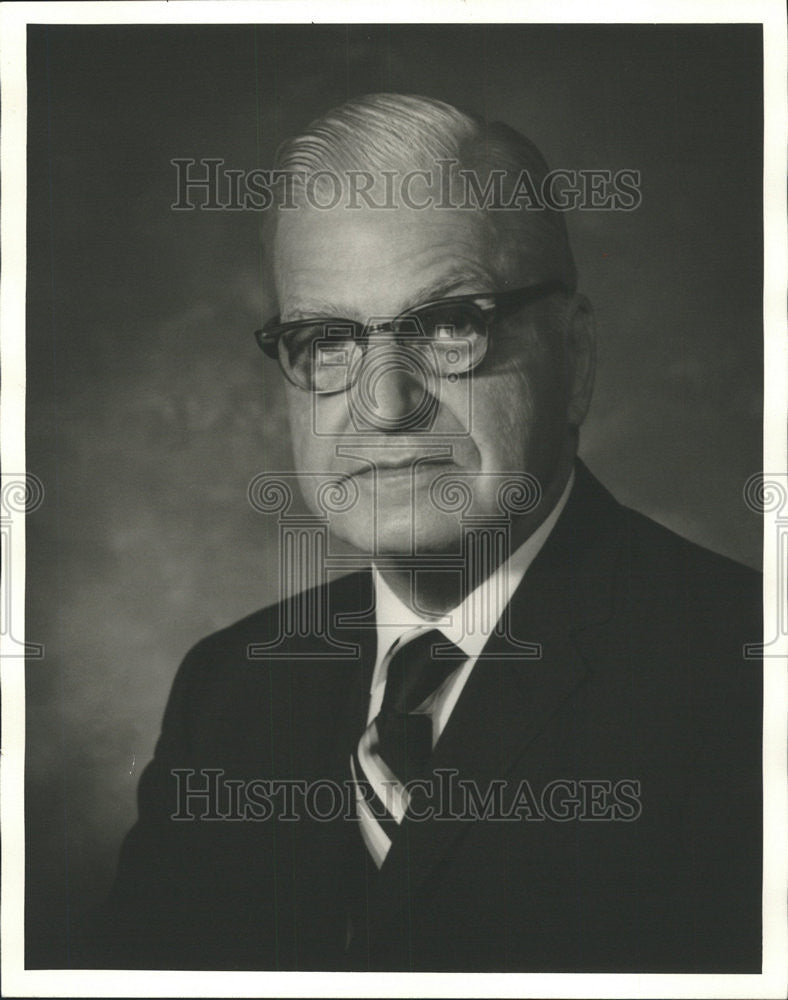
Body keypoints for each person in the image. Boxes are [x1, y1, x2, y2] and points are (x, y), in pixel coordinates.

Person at [85, 94, 762, 972]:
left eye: (448, 326)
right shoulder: (228, 694)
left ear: (577, 358)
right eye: (326, 338)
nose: (386, 403)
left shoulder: (746, 673)